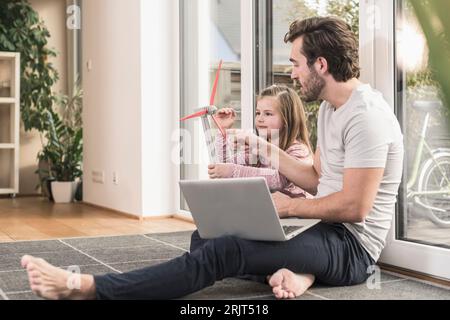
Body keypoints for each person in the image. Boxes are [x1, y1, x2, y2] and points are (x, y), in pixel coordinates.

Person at [21, 16, 404, 300]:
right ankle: (300, 271)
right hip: (322, 230)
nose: (292, 73)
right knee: (204, 237)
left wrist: (287, 210)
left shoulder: (367, 116)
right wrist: (265, 149)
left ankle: (87, 287)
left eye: (296, 64)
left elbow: (356, 206)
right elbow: (317, 177)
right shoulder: (330, 110)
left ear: (321, 65)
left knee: (225, 251)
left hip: (354, 250)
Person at [209, 84, 313, 200]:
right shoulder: (257, 151)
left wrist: (231, 171)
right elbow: (223, 166)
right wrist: (222, 131)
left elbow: (278, 180)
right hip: (271, 214)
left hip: (297, 217)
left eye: (268, 114)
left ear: (287, 118)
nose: (260, 119)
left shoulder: (298, 150)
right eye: (258, 113)